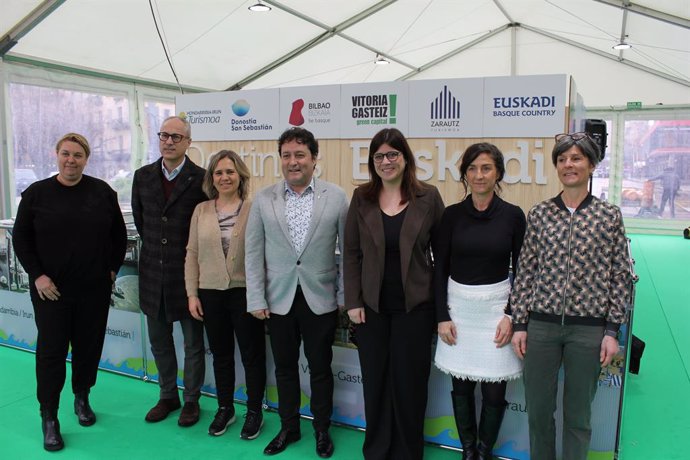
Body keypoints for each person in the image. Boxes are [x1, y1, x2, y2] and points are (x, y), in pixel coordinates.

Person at [510, 132, 632, 460]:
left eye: (576, 158)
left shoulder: (609, 216)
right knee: (538, 413)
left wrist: (611, 331)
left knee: (578, 417)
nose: (568, 165)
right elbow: (525, 272)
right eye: (562, 159)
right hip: (541, 328)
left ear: (591, 165)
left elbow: (620, 276)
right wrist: (520, 323)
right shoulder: (540, 214)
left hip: (588, 331)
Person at [12, 133, 127, 451]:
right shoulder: (36, 194)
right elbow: (20, 239)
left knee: (89, 347)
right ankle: (49, 416)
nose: (71, 160)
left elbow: (119, 236)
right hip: (51, 292)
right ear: (56, 155)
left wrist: (113, 269)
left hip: (93, 289)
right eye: (66, 153)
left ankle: (82, 396)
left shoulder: (103, 193)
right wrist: (38, 276)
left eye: (78, 155)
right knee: (51, 353)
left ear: (86, 159)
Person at [245, 127, 348, 458]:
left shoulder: (336, 196)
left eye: (300, 154)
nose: (293, 161)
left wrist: (345, 295)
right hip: (278, 300)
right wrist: (256, 298)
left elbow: (348, 252)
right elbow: (253, 252)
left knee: (320, 368)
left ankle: (321, 430)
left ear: (314, 159)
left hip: (321, 298)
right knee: (285, 368)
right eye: (286, 155)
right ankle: (289, 428)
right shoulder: (263, 199)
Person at [343, 128, 444, 460]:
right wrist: (353, 301)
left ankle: (407, 451)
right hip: (371, 308)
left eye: (392, 155)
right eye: (379, 156)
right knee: (376, 382)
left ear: (405, 157)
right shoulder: (362, 198)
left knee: (410, 384)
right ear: (373, 162)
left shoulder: (428, 197)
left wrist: (442, 310)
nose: (386, 162)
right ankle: (377, 449)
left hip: (415, 308)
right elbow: (352, 253)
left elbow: (442, 256)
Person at [433, 143, 526, 460]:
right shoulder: (451, 216)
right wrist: (441, 316)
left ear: (498, 172)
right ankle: (468, 450)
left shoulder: (513, 216)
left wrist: (511, 316)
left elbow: (524, 271)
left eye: (486, 168)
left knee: (494, 391)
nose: (479, 175)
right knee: (460, 389)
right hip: (458, 313)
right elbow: (439, 269)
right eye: (472, 168)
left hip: (496, 313)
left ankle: (484, 452)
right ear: (464, 174)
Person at [184, 150, 266, 439]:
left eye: (230, 172)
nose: (224, 177)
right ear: (211, 178)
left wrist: (261, 296)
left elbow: (263, 255)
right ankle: (225, 408)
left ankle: (254, 411)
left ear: (240, 176)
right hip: (210, 293)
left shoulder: (254, 209)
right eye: (218, 172)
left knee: (252, 356)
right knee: (221, 356)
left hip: (245, 294)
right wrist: (192, 294)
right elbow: (192, 253)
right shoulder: (201, 211)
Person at [131, 115, 207, 427]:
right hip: (152, 274)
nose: (169, 141)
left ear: (188, 142)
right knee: (159, 341)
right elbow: (141, 220)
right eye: (164, 135)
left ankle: (191, 400)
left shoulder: (201, 178)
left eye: (176, 137)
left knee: (193, 344)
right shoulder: (142, 176)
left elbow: (205, 227)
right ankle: (167, 395)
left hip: (187, 276)